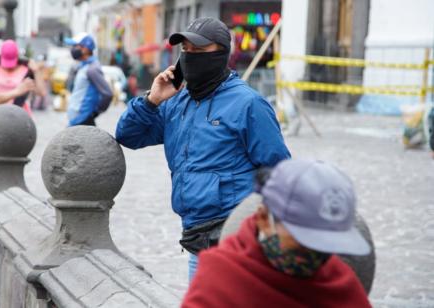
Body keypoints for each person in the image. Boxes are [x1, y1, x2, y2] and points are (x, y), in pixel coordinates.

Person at [115, 17, 291, 280]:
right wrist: (152, 101)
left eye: (199, 50)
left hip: (234, 235)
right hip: (197, 237)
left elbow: (280, 172)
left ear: (220, 54)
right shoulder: (177, 102)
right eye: (185, 51)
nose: (190, 57)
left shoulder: (249, 104)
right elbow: (128, 135)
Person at [182, 159, 372, 308]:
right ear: (264, 219)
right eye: (303, 240)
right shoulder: (221, 279)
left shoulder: (341, 284)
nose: (314, 254)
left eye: (326, 245)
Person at [0, 40, 47, 114]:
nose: (9, 67)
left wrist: (36, 71)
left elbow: (41, 92)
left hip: (19, 114)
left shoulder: (26, 69)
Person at [65, 33, 113, 126]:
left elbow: (108, 94)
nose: (73, 49)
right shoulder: (82, 66)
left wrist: (94, 113)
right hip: (76, 119)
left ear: (85, 49)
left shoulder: (92, 69)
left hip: (83, 120)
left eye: (76, 46)